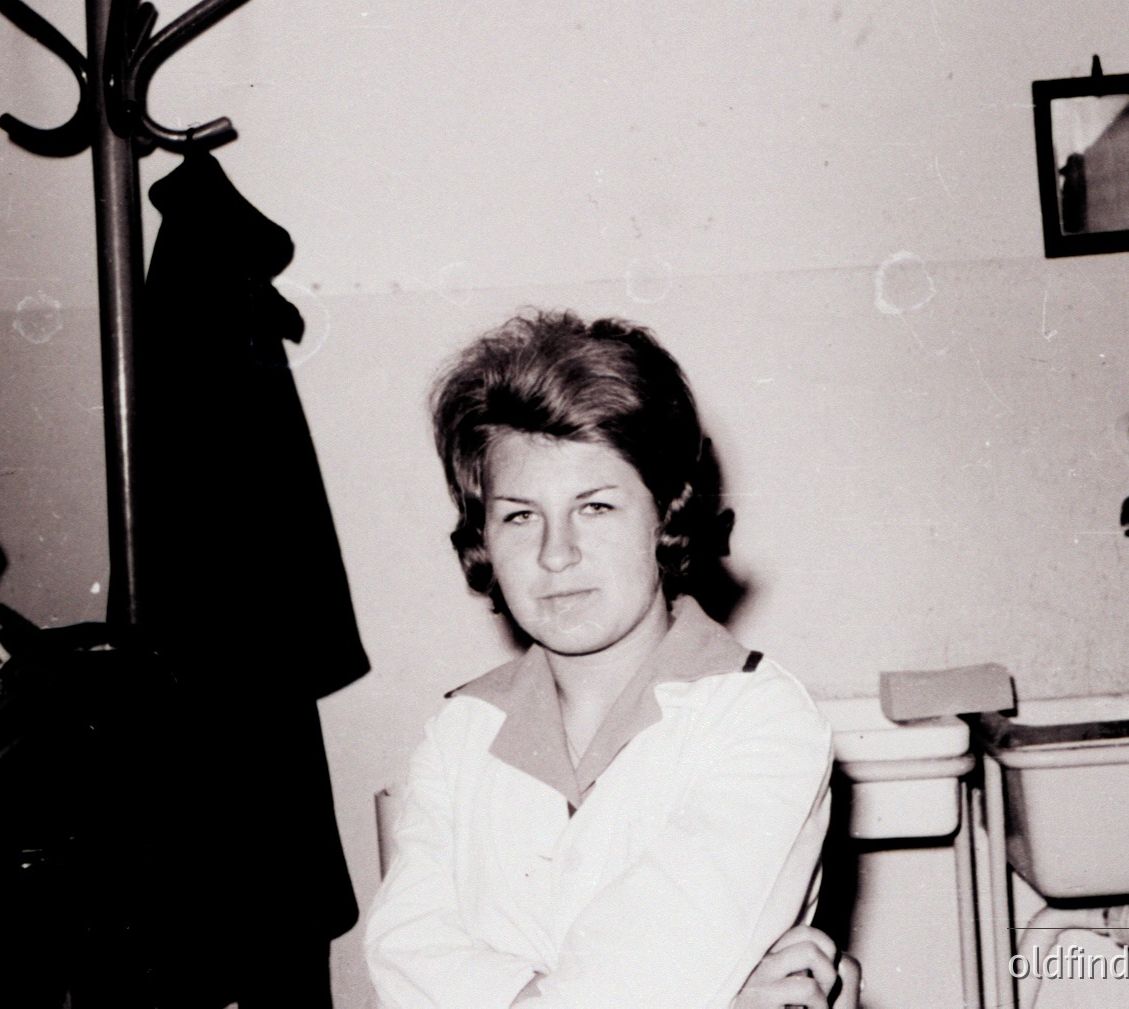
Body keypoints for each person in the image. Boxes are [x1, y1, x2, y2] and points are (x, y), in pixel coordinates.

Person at [365, 310, 853, 1008]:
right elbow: (404, 955)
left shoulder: (762, 718)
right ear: (483, 539)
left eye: (594, 508)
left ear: (667, 515)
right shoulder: (459, 731)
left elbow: (654, 962)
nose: (555, 554)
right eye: (519, 515)